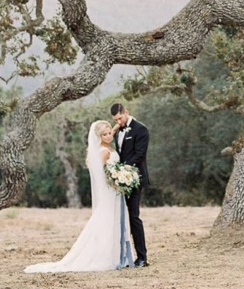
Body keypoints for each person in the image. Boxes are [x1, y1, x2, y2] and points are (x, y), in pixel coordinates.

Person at [24, 120, 135, 273]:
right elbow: (99, 173)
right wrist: (113, 181)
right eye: (105, 134)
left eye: (110, 133)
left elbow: (110, 137)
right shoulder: (103, 151)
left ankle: (116, 254)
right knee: (107, 220)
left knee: (115, 220)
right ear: (99, 136)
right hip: (110, 191)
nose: (109, 136)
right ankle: (107, 256)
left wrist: (116, 125)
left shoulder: (107, 146)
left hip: (115, 192)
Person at [111, 103, 150, 267]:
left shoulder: (140, 129)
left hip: (134, 179)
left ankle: (142, 257)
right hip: (120, 180)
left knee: (134, 217)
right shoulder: (117, 130)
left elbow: (139, 155)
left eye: (120, 118)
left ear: (126, 112)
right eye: (115, 119)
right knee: (120, 218)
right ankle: (122, 256)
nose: (118, 121)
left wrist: (122, 170)